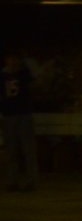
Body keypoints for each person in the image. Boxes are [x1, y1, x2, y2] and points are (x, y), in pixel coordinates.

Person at [1, 50, 37, 191]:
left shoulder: (24, 74)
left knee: (28, 149)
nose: (13, 62)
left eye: (15, 59)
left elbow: (34, 83)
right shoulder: (2, 76)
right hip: (9, 114)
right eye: (10, 59)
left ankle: (31, 180)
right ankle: (12, 180)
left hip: (23, 114)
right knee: (11, 150)